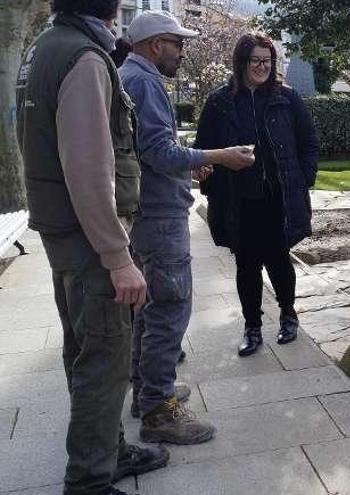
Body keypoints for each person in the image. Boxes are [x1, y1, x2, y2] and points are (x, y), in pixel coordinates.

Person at [15, 1, 171, 493]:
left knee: (86, 352)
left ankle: (108, 450)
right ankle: (89, 480)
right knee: (104, 358)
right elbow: (87, 170)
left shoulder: (46, 47)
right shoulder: (82, 56)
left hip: (66, 235)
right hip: (90, 242)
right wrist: (118, 258)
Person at [119, 11, 255, 444]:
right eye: (178, 43)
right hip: (159, 218)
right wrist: (217, 156)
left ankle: (147, 393)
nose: (183, 51)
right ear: (156, 44)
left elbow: (149, 153)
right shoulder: (143, 81)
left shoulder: (132, 76)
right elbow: (160, 151)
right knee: (169, 309)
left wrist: (189, 167)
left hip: (148, 210)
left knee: (150, 307)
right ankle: (159, 411)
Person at [195, 33, 319, 357]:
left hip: (278, 198)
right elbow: (202, 151)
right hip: (239, 200)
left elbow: (308, 142)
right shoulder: (220, 102)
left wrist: (304, 178)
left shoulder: (286, 98)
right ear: (241, 63)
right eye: (256, 60)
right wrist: (209, 181)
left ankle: (288, 316)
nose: (263, 66)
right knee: (246, 265)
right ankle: (252, 327)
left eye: (268, 60)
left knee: (279, 260)